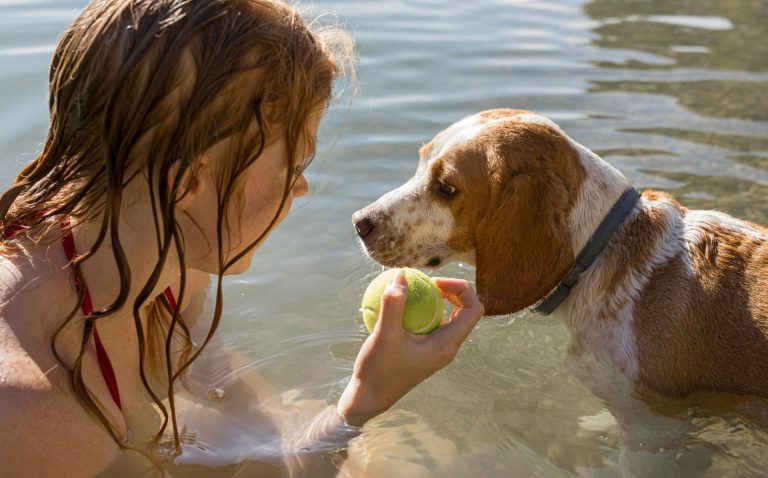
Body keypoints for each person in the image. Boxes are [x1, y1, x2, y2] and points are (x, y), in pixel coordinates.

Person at [0, 0, 484, 476]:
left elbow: (211, 377)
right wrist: (363, 403)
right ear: (187, 184)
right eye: (293, 166)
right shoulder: (38, 420)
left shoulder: (167, 261)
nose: (300, 187)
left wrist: (313, 430)